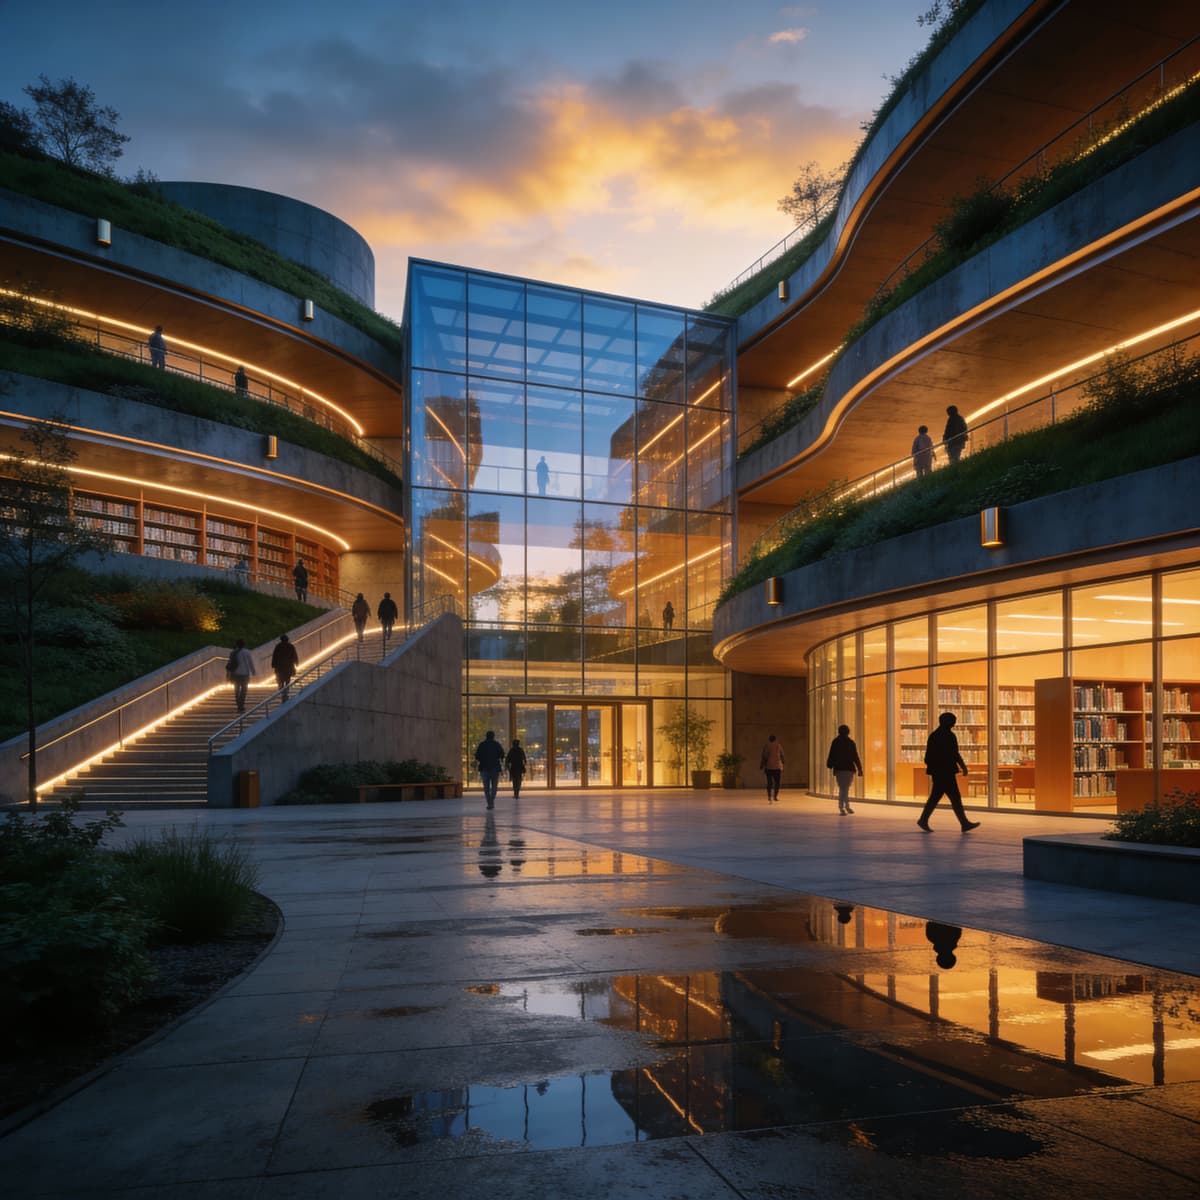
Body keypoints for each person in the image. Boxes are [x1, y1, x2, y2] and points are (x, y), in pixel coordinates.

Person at [918, 712, 980, 833]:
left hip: (939, 772)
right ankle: (963, 823)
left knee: (937, 797)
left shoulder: (934, 736)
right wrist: (963, 766)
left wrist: (934, 768)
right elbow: (955, 754)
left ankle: (924, 819)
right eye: (953, 721)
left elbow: (928, 756)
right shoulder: (949, 736)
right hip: (946, 772)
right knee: (953, 797)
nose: (954, 724)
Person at [826, 724, 864, 815]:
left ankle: (843, 807)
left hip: (839, 769)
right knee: (845, 789)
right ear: (848, 732)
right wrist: (859, 769)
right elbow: (855, 757)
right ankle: (845, 807)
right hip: (849, 769)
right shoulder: (851, 742)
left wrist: (830, 765)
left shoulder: (835, 742)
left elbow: (832, 755)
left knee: (843, 788)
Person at [474, 730, 505, 809]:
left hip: (484, 768)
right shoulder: (496, 744)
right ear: (493, 736)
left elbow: (477, 756)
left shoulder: (482, 745)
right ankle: (492, 800)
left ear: (486, 736)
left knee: (486, 787)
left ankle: (489, 803)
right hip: (495, 768)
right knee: (494, 786)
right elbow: (502, 754)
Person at [226, 637, 255, 713]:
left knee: (236, 689)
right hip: (244, 674)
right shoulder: (247, 652)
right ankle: (241, 705)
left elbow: (229, 663)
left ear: (237, 644)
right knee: (244, 690)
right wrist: (253, 671)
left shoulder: (233, 652)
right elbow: (250, 662)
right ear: (244, 644)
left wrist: (228, 674)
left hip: (235, 674)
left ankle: (238, 704)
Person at [270, 632, 299, 698]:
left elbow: (275, 656)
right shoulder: (290, 646)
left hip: (280, 667)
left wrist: (273, 664)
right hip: (288, 666)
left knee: (281, 679)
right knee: (287, 679)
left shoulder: (278, 646)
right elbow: (294, 655)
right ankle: (286, 691)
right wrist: (296, 662)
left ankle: (283, 690)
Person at [759, 734, 784, 803]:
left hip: (769, 767)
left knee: (769, 782)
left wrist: (762, 764)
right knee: (777, 782)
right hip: (777, 767)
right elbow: (782, 755)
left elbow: (764, 756)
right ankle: (775, 796)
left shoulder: (766, 746)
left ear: (769, 739)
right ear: (775, 739)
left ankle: (769, 796)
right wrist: (782, 762)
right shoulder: (778, 746)